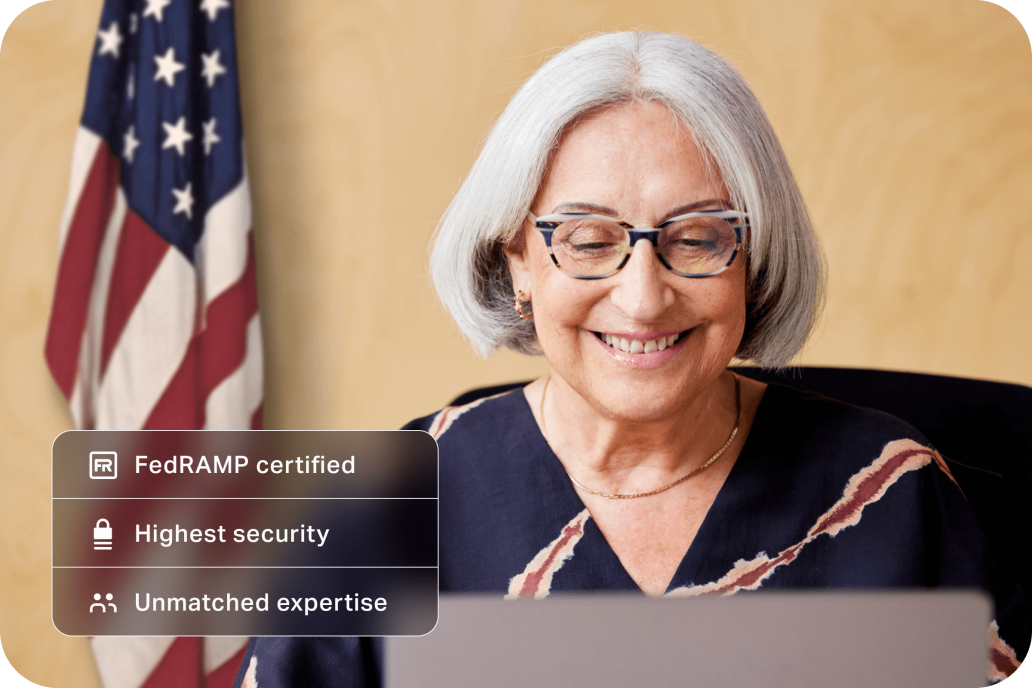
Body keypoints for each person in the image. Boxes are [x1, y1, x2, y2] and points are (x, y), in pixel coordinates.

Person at [234, 31, 1025, 687]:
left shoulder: (894, 496)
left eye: (698, 239)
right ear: (516, 260)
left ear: (752, 260)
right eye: (588, 241)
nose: (644, 298)